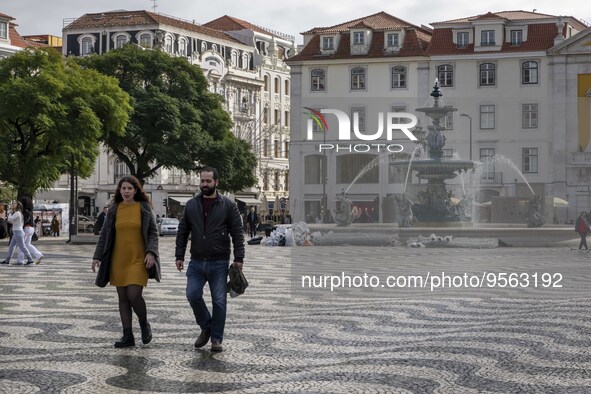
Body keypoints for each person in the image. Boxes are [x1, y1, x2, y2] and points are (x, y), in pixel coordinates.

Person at [175, 166, 244, 353]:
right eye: (202, 181)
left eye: (208, 181)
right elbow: (183, 231)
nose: (204, 184)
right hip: (196, 261)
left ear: (216, 182)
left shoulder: (228, 206)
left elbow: (237, 233)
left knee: (219, 301)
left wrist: (239, 258)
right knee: (192, 294)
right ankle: (206, 326)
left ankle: (216, 339)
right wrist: (179, 255)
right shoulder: (191, 204)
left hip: (219, 261)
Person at [92, 176, 159, 348]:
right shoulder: (114, 209)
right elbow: (105, 235)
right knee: (122, 297)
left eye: (130, 188)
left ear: (136, 190)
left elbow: (152, 232)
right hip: (118, 259)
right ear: (119, 191)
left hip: (138, 258)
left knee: (134, 294)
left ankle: (144, 324)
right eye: (124, 188)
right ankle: (127, 335)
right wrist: (97, 256)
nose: (127, 191)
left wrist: (151, 252)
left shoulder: (143, 207)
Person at [1, 201, 34, 265]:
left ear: (18, 205)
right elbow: (13, 221)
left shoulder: (18, 213)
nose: (13, 204)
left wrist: (10, 213)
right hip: (16, 232)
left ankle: (30, 260)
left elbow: (10, 219)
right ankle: (7, 260)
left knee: (23, 247)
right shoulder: (17, 213)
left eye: (14, 204)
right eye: (12, 203)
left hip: (18, 233)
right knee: (11, 247)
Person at [17, 197, 43, 265]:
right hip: (31, 228)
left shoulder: (25, 211)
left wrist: (21, 227)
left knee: (21, 245)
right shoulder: (30, 211)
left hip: (26, 228)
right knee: (27, 244)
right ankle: (38, 255)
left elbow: (25, 220)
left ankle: (20, 260)